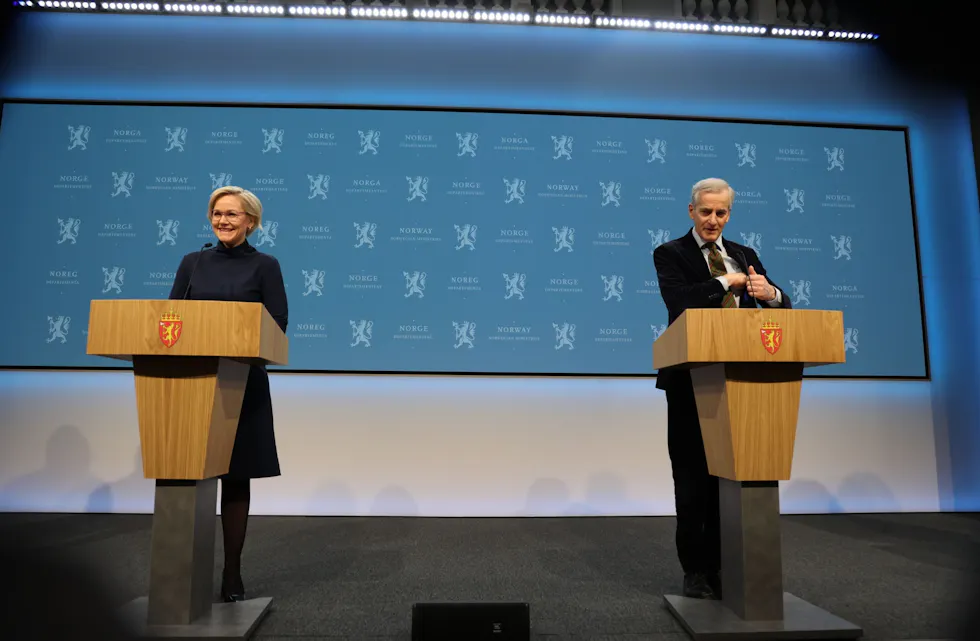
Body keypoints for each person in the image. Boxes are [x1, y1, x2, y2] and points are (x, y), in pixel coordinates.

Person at [652, 177, 791, 600]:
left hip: (745, 379)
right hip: (692, 379)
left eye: (722, 213)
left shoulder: (744, 254)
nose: (714, 220)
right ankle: (696, 570)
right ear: (691, 211)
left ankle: (729, 566)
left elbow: (783, 307)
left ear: (729, 214)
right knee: (694, 478)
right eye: (706, 212)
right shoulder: (670, 253)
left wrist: (771, 294)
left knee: (731, 480)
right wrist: (724, 284)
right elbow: (680, 304)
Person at [168, 186, 288, 603]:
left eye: (232, 214)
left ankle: (232, 571)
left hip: (242, 383)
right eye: (217, 213)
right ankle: (180, 576)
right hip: (192, 383)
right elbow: (172, 321)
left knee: (235, 479)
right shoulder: (193, 262)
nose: (222, 220)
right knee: (186, 476)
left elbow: (277, 326)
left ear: (250, 222)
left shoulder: (265, 266)